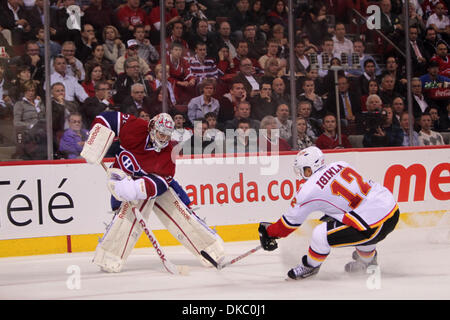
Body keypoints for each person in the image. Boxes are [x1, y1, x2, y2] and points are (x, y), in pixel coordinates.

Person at [258, 146, 400, 280]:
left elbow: (288, 224)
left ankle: (310, 267)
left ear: (309, 169)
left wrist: (269, 232)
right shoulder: (341, 164)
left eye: (303, 170)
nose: (302, 175)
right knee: (358, 226)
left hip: (373, 225)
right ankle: (368, 261)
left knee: (320, 234)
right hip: (391, 210)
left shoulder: (308, 190)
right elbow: (349, 200)